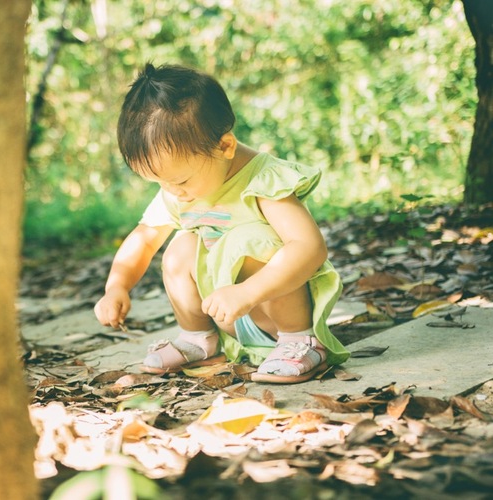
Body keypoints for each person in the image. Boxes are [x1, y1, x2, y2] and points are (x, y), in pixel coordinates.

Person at [93, 63, 350, 384]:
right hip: (224, 313)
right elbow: (144, 239)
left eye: (180, 180)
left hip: (273, 311)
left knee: (251, 238)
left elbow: (310, 247)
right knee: (180, 247)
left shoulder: (263, 180)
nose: (172, 192)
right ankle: (198, 338)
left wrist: (248, 291)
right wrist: (116, 285)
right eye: (159, 183)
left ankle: (300, 342)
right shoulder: (179, 190)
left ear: (225, 146)